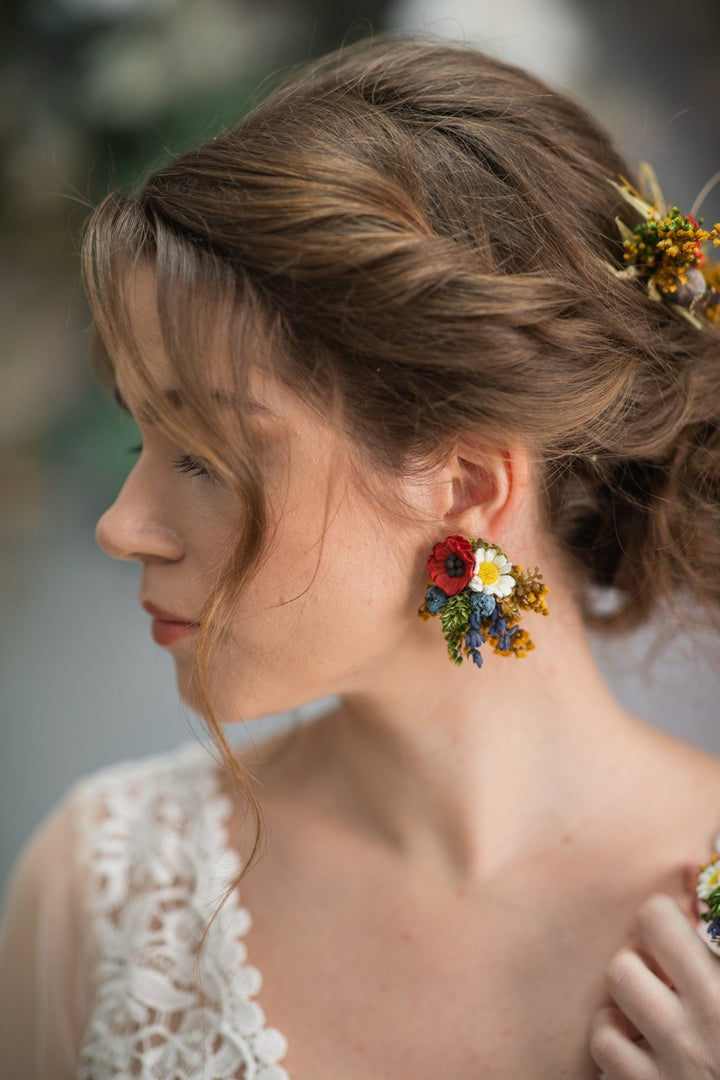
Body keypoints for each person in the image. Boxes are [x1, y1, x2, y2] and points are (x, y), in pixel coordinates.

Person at [2, 32, 720, 1080]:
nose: (122, 524)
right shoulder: (103, 892)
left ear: (469, 488)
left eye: (201, 454)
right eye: (138, 440)